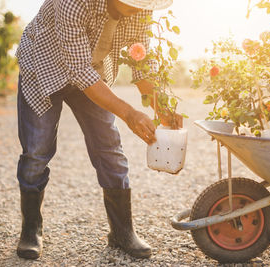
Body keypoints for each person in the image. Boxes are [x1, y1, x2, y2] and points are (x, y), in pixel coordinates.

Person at [15, 0, 182, 260]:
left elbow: (142, 64)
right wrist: (129, 113)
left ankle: (122, 231)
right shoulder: (72, 3)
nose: (139, 8)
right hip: (44, 67)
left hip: (91, 70)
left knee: (110, 146)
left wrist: (162, 108)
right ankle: (31, 229)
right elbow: (79, 72)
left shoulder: (142, 10)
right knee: (38, 149)